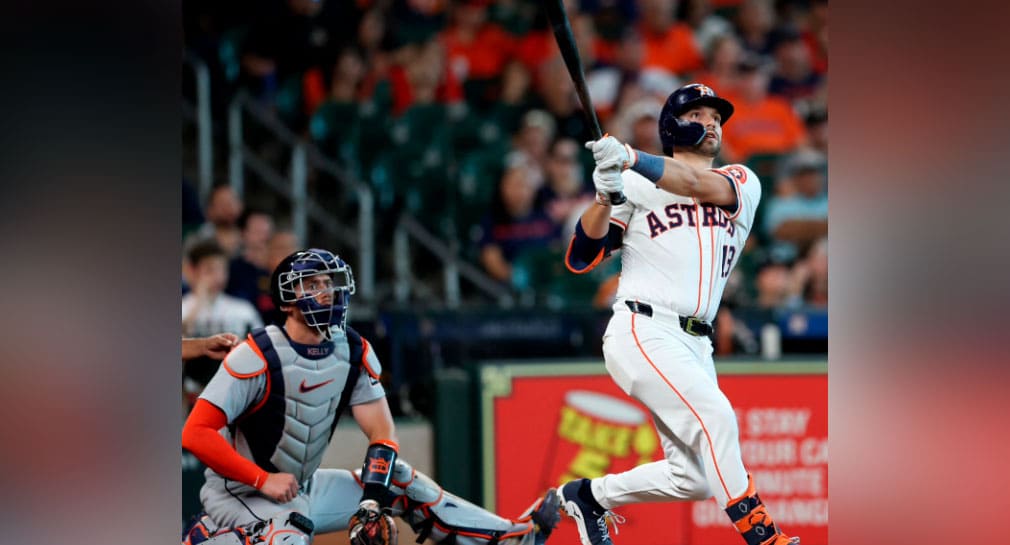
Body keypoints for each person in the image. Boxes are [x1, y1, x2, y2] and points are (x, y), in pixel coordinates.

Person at [181, 248, 560, 545]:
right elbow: (195, 434)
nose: (325, 291)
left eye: (329, 282)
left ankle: (514, 537)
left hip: (301, 487)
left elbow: (383, 435)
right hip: (238, 493)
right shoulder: (257, 353)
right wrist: (263, 480)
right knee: (289, 533)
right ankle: (213, 535)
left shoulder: (353, 350)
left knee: (400, 480)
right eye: (311, 285)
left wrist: (371, 503)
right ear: (287, 300)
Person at [557, 83, 800, 545]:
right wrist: (605, 197)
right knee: (717, 418)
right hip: (642, 328)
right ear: (672, 126)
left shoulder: (743, 181)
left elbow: (692, 183)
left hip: (696, 342)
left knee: (695, 478)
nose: (712, 123)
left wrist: (629, 157)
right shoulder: (632, 183)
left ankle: (589, 495)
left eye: (716, 116)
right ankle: (763, 535)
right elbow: (582, 256)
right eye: (699, 114)